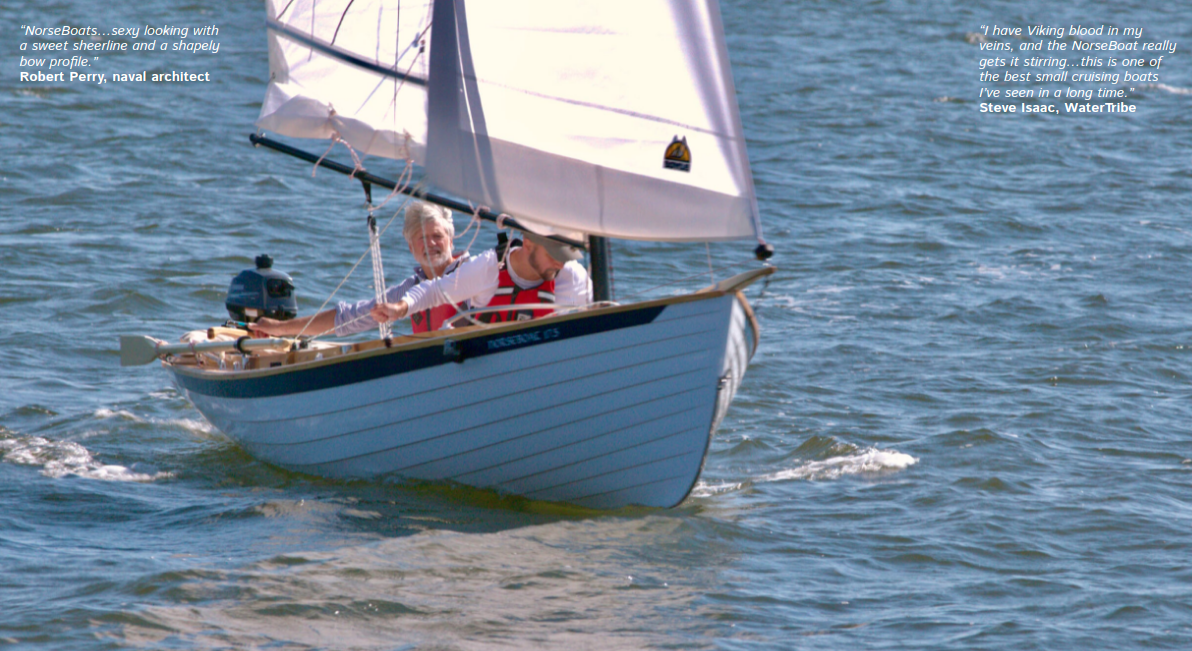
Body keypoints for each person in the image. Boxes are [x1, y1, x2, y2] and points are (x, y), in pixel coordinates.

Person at [249, 201, 469, 337]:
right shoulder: (410, 289)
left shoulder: (474, 272)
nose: (431, 244)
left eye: (437, 236)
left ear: (451, 241)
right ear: (411, 248)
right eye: (422, 238)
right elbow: (349, 318)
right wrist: (279, 328)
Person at [369, 231, 591, 327]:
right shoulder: (488, 269)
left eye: (566, 257)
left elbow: (600, 315)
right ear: (528, 244)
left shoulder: (571, 276)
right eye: (555, 255)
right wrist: (401, 307)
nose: (560, 263)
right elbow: (436, 291)